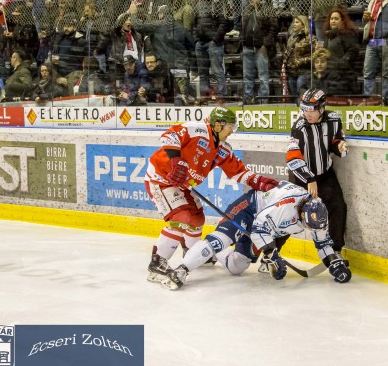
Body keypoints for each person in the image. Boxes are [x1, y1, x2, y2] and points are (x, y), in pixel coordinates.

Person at [145, 106, 279, 284]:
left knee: (197, 220)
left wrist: (258, 181)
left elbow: (239, 172)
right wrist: (175, 159)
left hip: (184, 185)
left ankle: (191, 252)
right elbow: (169, 136)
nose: (232, 131)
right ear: (217, 126)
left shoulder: (223, 148)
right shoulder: (197, 130)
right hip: (161, 179)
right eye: (229, 127)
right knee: (182, 217)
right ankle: (157, 264)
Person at [159, 181, 352, 290]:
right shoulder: (286, 209)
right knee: (221, 239)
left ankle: (213, 252)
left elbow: (322, 241)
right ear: (301, 213)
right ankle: (181, 270)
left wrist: (333, 263)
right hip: (249, 209)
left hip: (264, 223)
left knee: (237, 266)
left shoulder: (317, 212)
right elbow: (259, 226)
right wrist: (272, 255)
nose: (309, 228)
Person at [286, 88, 348, 255]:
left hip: (325, 174)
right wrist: (309, 179)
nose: (308, 114)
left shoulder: (334, 120)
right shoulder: (299, 127)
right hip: (302, 177)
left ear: (322, 108)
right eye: (304, 109)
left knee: (337, 206)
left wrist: (339, 146)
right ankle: (272, 251)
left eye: (312, 110)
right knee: (292, 215)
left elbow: (335, 140)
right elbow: (293, 158)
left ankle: (336, 250)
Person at [241, 0, 278, 104]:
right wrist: (242, 42)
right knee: (247, 76)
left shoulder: (268, 10)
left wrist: (265, 44)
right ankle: (248, 99)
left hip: (260, 48)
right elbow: (241, 28)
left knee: (263, 76)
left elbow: (274, 28)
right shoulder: (246, 10)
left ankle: (263, 101)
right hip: (247, 47)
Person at [283, 15, 312, 97]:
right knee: (294, 97)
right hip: (291, 72)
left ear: (303, 24)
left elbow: (314, 56)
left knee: (302, 96)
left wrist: (301, 60)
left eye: (297, 22)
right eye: (294, 22)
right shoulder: (291, 37)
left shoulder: (309, 39)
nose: (294, 24)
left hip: (303, 72)